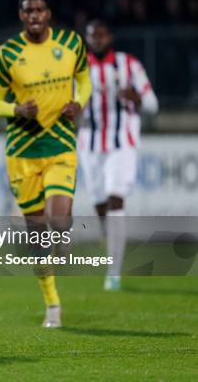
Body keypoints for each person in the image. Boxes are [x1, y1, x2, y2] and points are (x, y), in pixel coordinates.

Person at [0, 0, 92, 327]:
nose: (34, 15)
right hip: (22, 152)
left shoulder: (71, 43)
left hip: (60, 143)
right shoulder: (8, 54)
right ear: (21, 16)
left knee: (59, 222)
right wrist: (16, 108)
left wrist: (80, 103)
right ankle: (52, 304)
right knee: (36, 234)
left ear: (48, 14)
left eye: (40, 10)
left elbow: (84, 79)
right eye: (28, 10)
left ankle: (63, 241)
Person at [79, 19, 158, 291]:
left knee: (115, 199)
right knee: (100, 203)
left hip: (121, 143)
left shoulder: (129, 64)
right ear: (87, 40)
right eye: (92, 36)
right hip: (89, 144)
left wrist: (135, 95)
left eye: (101, 35)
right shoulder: (79, 69)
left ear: (109, 37)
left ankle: (113, 272)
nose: (97, 40)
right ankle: (110, 241)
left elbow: (152, 104)